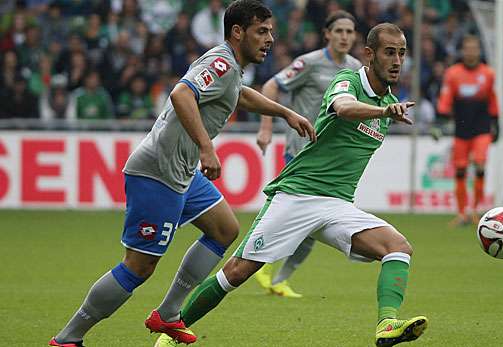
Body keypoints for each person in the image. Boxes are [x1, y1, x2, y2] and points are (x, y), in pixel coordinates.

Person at [49, 1, 315, 346]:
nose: (270, 39)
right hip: (158, 171)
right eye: (262, 31)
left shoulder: (231, 69)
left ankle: (169, 313)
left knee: (224, 229)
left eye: (271, 32)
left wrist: (284, 113)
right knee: (139, 266)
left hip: (182, 171)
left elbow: (239, 97)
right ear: (238, 32)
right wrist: (207, 147)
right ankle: (68, 339)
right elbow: (181, 94)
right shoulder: (220, 62)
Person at [155, 23, 428, 347]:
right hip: (296, 196)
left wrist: (385, 108)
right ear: (369, 55)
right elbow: (342, 107)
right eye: (389, 52)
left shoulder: (391, 106)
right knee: (238, 272)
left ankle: (386, 325)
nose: (397, 61)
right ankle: (173, 332)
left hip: (337, 205)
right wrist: (382, 109)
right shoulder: (349, 82)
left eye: (401, 53)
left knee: (398, 248)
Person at [253, 10, 362, 299]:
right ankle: (259, 259)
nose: (344, 36)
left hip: (329, 160)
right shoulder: (310, 63)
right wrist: (266, 128)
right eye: (339, 31)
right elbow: (271, 85)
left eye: (349, 32)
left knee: (316, 222)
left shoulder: (355, 68)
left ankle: (280, 279)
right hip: (300, 154)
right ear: (327, 34)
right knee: (293, 217)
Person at [434, 35, 499, 226]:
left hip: (482, 128)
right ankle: (462, 213)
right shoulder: (453, 73)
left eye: (474, 48)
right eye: (468, 48)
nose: (471, 52)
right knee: (460, 170)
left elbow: (493, 99)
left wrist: (497, 122)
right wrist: (440, 119)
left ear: (479, 51)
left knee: (480, 164)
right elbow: (446, 98)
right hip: (461, 128)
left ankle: (475, 211)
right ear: (463, 51)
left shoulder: (488, 74)